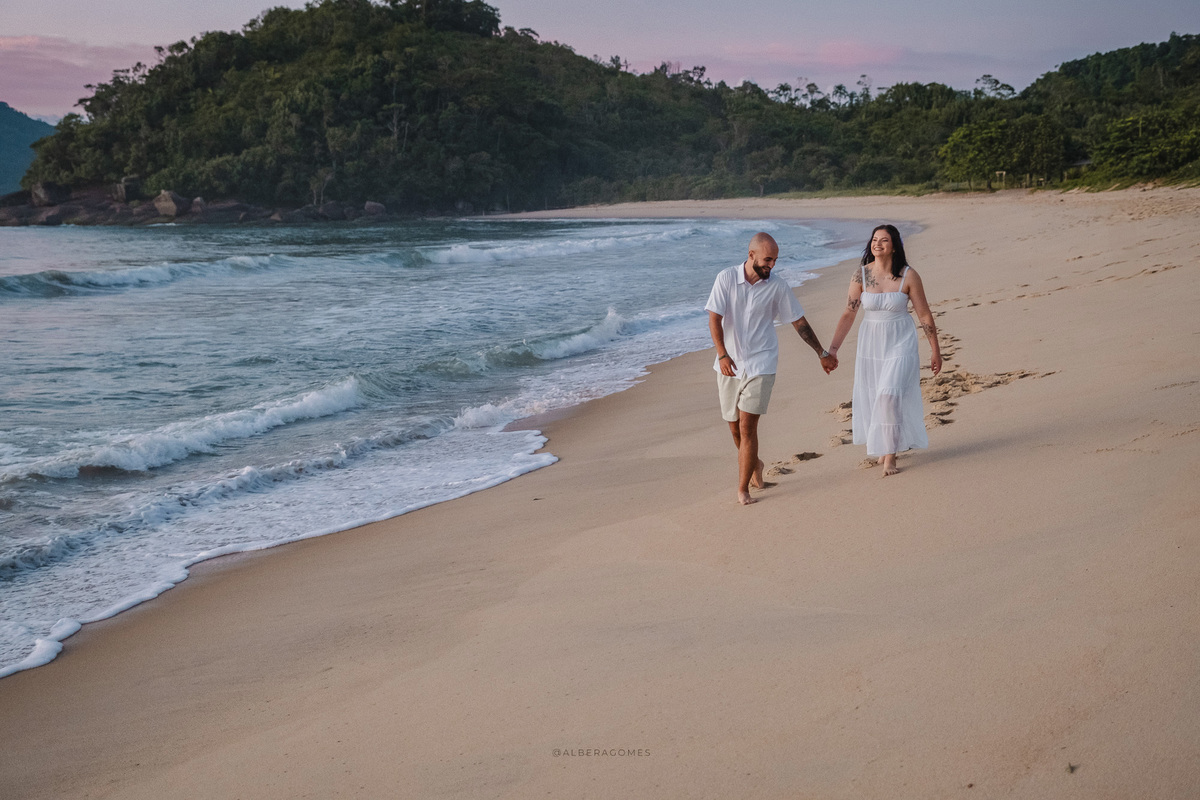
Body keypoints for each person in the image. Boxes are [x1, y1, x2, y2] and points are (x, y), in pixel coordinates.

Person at [706, 232, 838, 505]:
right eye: (768, 260)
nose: (772, 265)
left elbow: (799, 322)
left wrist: (821, 353)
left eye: (775, 260)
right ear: (751, 255)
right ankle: (754, 463)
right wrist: (722, 355)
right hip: (729, 364)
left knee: (747, 426)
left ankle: (743, 489)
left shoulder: (777, 286)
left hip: (762, 363)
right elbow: (714, 319)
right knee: (734, 429)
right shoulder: (726, 279)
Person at [827, 224, 941, 476]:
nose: (877, 244)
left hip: (901, 341)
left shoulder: (909, 276)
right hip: (871, 343)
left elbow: (924, 314)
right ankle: (885, 444)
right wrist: (833, 350)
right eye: (874, 239)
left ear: (895, 246)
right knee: (876, 395)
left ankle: (890, 456)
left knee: (889, 395)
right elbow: (849, 313)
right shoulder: (861, 275)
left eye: (884, 240)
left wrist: (935, 350)